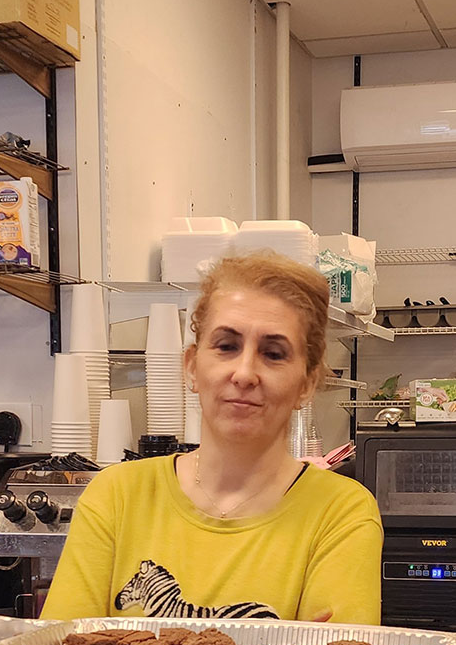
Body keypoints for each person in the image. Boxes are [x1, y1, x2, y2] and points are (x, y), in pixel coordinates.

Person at [41, 250, 383, 624]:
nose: (245, 374)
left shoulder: (340, 513)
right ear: (191, 366)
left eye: (273, 353)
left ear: (307, 384)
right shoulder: (116, 496)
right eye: (226, 346)